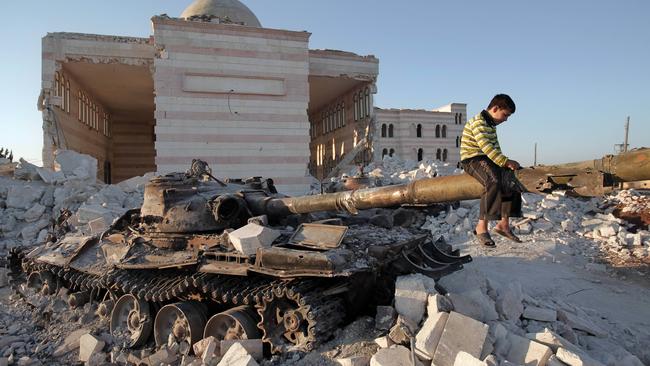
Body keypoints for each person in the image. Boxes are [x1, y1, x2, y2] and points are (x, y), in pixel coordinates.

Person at [460, 94, 523, 247]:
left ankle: (503, 224)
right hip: (473, 159)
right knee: (492, 181)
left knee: (511, 180)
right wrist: (505, 161)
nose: (506, 119)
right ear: (495, 108)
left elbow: (495, 148)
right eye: (505, 115)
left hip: (487, 158)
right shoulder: (479, 123)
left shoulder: (490, 125)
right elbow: (487, 148)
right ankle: (481, 227)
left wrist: (505, 165)